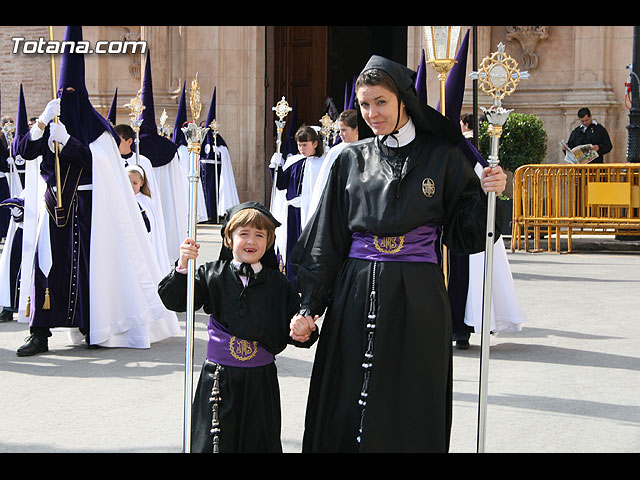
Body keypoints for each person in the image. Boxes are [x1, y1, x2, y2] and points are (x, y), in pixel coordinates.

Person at [289, 55, 507, 453]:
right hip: (355, 291)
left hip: (419, 294)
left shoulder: (442, 156)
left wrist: (493, 193)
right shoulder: (349, 160)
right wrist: (309, 305)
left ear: (403, 100)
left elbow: (466, 231)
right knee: (348, 390)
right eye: (365, 105)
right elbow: (328, 236)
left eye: (381, 102)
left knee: (411, 393)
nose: (372, 113)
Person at [14, 25, 180, 355]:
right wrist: (42, 124)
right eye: (63, 91)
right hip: (54, 207)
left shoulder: (95, 125)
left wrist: (70, 143)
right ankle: (40, 331)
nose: (67, 96)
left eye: (73, 91)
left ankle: (93, 324)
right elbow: (23, 151)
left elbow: (102, 162)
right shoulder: (51, 117)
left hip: (90, 206)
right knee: (48, 266)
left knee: (89, 266)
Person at [157, 201, 318, 452]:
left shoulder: (279, 284)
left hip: (260, 381)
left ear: (268, 241)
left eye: (259, 235)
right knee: (215, 443)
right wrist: (183, 267)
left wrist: (304, 330)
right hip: (219, 378)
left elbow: (294, 328)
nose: (251, 241)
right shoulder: (210, 275)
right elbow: (175, 301)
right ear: (229, 239)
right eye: (243, 233)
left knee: (257, 442)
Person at [269, 125, 325, 286]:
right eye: (299, 145)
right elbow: (281, 185)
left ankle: (308, 283)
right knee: (292, 248)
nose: (301, 148)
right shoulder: (294, 161)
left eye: (305, 145)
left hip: (311, 212)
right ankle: (292, 283)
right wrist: (275, 168)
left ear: (315, 143)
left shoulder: (322, 164)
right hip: (293, 212)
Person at [307, 109, 359, 218]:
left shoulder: (370, 148)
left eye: (344, 130)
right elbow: (324, 182)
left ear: (356, 129)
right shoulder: (336, 152)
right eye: (339, 130)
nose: (340, 134)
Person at [126, 164, 172, 275]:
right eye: (128, 182)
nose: (131, 186)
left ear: (142, 183)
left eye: (135, 183)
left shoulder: (147, 202)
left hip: (147, 241)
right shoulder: (122, 200)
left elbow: (152, 226)